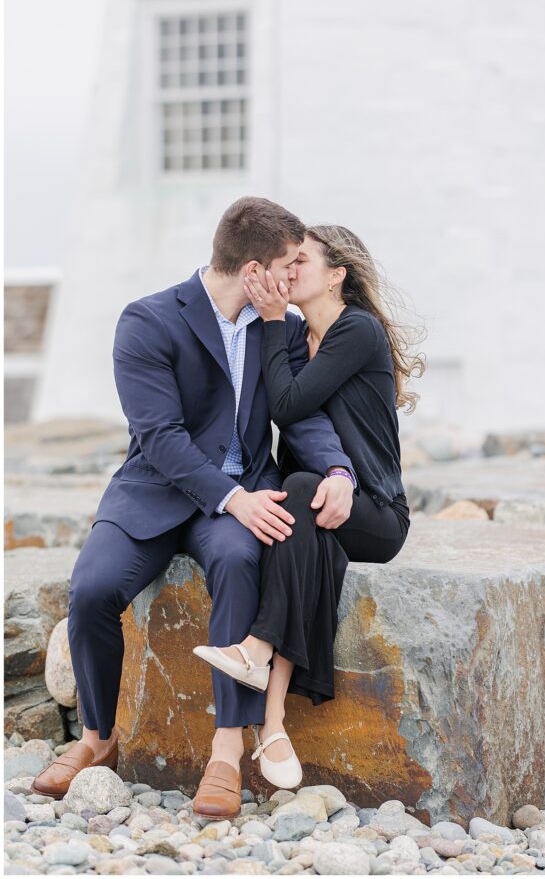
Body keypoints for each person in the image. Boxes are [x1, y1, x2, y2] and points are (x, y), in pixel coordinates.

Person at [30, 197, 359, 822]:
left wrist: (339, 470)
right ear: (255, 271)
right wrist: (233, 498)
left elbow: (300, 413)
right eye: (289, 265)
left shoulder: (282, 327)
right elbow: (160, 437)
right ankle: (97, 738)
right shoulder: (148, 320)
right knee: (92, 589)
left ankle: (226, 752)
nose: (296, 276)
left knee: (239, 564)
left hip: (240, 497)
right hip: (156, 491)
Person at [193, 224, 424, 790]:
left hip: (376, 511)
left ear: (336, 275)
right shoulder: (298, 337)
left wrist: (272, 322)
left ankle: (256, 649)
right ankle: (273, 722)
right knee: (301, 528)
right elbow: (287, 407)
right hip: (317, 505)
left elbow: (288, 403)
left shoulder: (356, 330)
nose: (288, 270)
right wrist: (279, 328)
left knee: (296, 490)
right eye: (286, 261)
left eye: (301, 261)